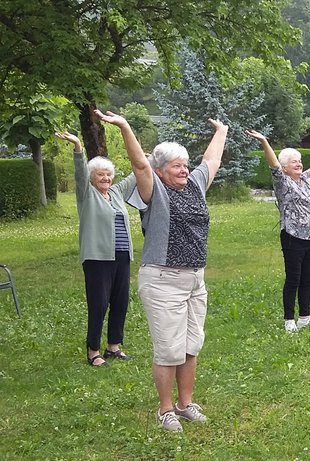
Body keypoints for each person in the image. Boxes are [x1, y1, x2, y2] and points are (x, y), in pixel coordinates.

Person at [120, 117, 228, 432]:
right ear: (161, 171)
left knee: (191, 344)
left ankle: (185, 404)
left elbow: (212, 160)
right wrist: (126, 128)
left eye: (185, 165)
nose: (183, 170)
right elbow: (140, 166)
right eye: (175, 166)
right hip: (163, 280)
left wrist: (221, 131)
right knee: (169, 349)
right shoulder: (153, 193)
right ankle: (165, 409)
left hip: (195, 278)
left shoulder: (194, 184)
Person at [56, 114, 153, 367]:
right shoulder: (87, 194)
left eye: (108, 175)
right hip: (97, 258)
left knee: (120, 302)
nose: (106, 179)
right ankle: (93, 352)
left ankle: (114, 347)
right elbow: (79, 171)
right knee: (98, 304)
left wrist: (150, 158)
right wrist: (78, 147)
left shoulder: (117, 192)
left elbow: (137, 171)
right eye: (101, 175)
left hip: (122, 256)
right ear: (92, 178)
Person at [246, 130, 310, 330]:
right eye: (294, 162)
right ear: (285, 168)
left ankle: (305, 316)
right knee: (294, 279)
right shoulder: (283, 183)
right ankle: (289, 319)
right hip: (292, 237)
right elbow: (273, 164)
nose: (299, 164)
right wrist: (264, 141)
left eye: (299, 161)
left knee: (307, 278)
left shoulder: (307, 179)